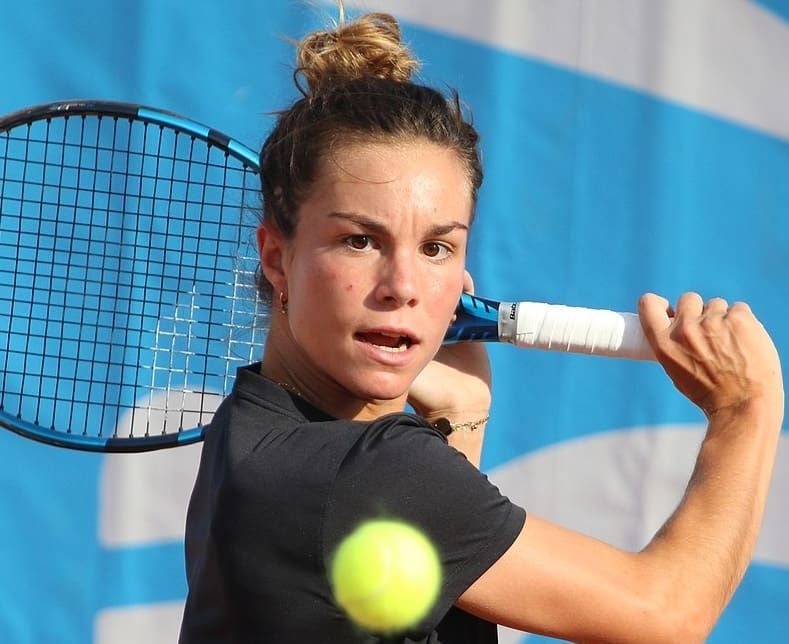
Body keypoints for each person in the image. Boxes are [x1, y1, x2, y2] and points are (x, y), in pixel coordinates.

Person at [178, 4, 784, 643]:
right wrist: (746, 408)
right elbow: (666, 614)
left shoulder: (250, 429)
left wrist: (460, 419)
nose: (403, 286)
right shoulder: (364, 471)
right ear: (277, 257)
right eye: (360, 240)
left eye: (436, 247)